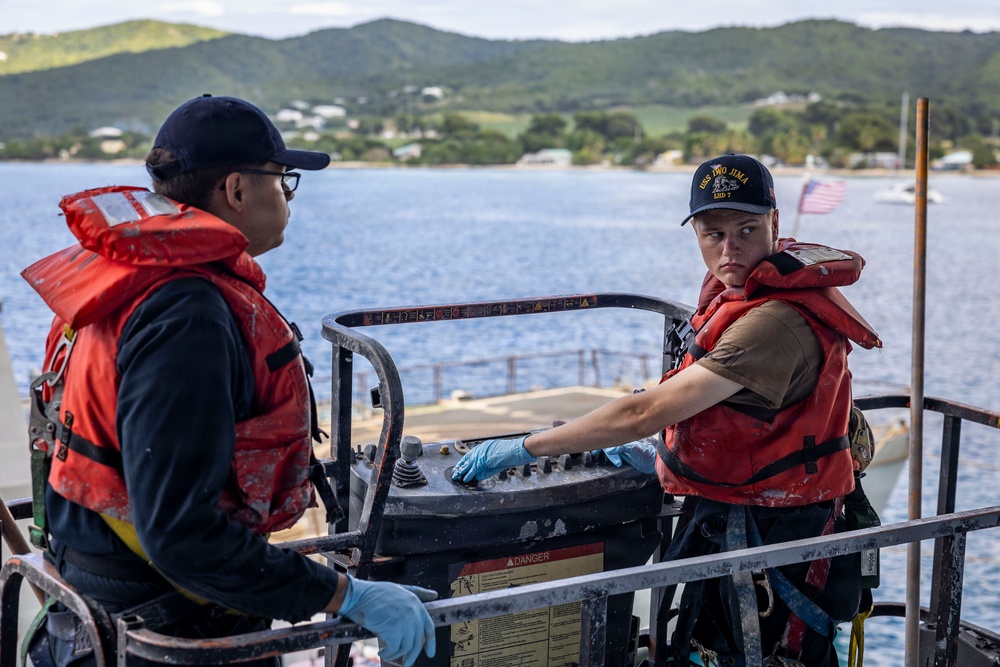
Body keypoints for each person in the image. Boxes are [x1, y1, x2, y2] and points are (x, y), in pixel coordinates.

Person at [22, 95, 435, 667]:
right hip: (164, 631)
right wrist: (345, 595)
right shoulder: (188, 314)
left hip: (105, 599)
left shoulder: (133, 279)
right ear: (238, 189)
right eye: (283, 180)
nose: (288, 197)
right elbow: (179, 533)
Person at [452, 154, 882, 666]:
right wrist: (666, 453)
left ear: (774, 223)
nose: (730, 250)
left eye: (746, 229)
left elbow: (643, 413)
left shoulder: (774, 322)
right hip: (736, 507)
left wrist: (521, 448)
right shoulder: (745, 289)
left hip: (777, 533)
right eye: (712, 234)